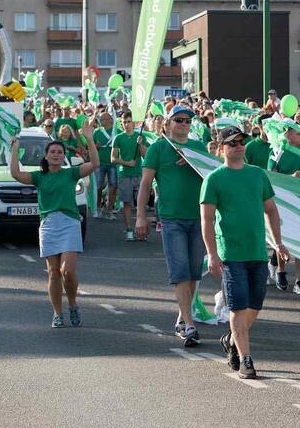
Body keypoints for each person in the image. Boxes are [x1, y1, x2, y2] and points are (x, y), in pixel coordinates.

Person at [201, 126, 290, 379]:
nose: (239, 146)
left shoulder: (257, 175)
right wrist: (212, 253)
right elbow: (206, 219)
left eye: (241, 141)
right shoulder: (214, 179)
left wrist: (278, 243)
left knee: (254, 305)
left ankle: (232, 340)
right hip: (231, 253)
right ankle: (246, 359)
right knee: (238, 307)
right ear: (222, 148)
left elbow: (271, 210)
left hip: (257, 251)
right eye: (232, 143)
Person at [9, 121, 98, 327]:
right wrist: (15, 149)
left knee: (68, 272)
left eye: (60, 152)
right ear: (46, 156)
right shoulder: (39, 176)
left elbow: (94, 164)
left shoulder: (70, 173)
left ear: (64, 156)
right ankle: (57, 313)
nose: (56, 155)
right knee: (53, 272)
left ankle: (73, 304)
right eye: (53, 152)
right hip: (49, 224)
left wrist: (89, 139)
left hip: (69, 222)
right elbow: (16, 174)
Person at [135, 105, 207, 347]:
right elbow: (145, 184)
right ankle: (189, 324)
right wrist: (140, 216)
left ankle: (182, 317)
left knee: (194, 273)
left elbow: (212, 176)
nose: (184, 124)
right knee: (180, 271)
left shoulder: (197, 147)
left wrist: (194, 162)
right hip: (171, 219)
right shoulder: (158, 148)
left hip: (199, 218)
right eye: (179, 120)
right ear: (168, 123)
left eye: (187, 120)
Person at [267, 120, 300, 295]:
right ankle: (281, 270)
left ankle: (299, 281)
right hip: (283, 202)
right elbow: (270, 176)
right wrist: (291, 177)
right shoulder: (276, 150)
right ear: (287, 134)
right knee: (283, 239)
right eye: (297, 133)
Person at [111, 111, 147, 241]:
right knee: (127, 204)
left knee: (141, 204)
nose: (126, 124)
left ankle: (141, 231)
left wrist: (141, 144)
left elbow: (145, 156)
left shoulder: (140, 136)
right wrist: (127, 163)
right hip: (125, 175)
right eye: (124, 122)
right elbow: (113, 159)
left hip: (138, 174)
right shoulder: (118, 138)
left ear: (134, 123)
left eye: (129, 122)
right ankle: (129, 230)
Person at [92, 112, 118, 219]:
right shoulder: (97, 132)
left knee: (113, 187)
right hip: (99, 163)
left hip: (113, 163)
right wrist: (96, 146)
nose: (103, 121)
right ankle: (98, 207)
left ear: (111, 120)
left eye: (105, 119)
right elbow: (90, 147)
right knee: (98, 186)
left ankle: (110, 211)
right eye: (101, 119)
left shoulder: (116, 131)